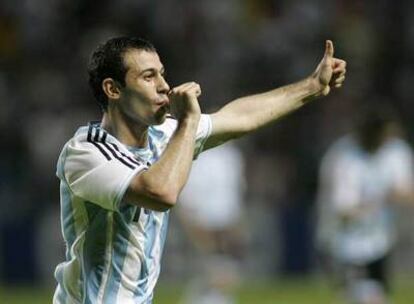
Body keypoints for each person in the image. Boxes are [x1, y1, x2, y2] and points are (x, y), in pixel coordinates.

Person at [53, 36, 346, 304]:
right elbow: (160, 192)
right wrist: (188, 123)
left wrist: (312, 87)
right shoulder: (86, 153)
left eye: (162, 73)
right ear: (113, 89)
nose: (164, 86)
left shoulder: (164, 134)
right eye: (148, 76)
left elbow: (238, 118)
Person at [316, 107, 414, 304]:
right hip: (345, 244)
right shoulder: (343, 157)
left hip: (381, 242)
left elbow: (407, 192)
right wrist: (381, 200)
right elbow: (343, 211)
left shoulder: (396, 152)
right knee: (365, 298)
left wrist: (399, 195)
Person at [177, 142, 246, 304]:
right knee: (209, 273)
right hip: (202, 223)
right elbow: (187, 201)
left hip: (227, 224)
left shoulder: (230, 154)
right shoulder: (195, 154)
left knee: (223, 274)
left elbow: (235, 195)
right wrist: (196, 230)